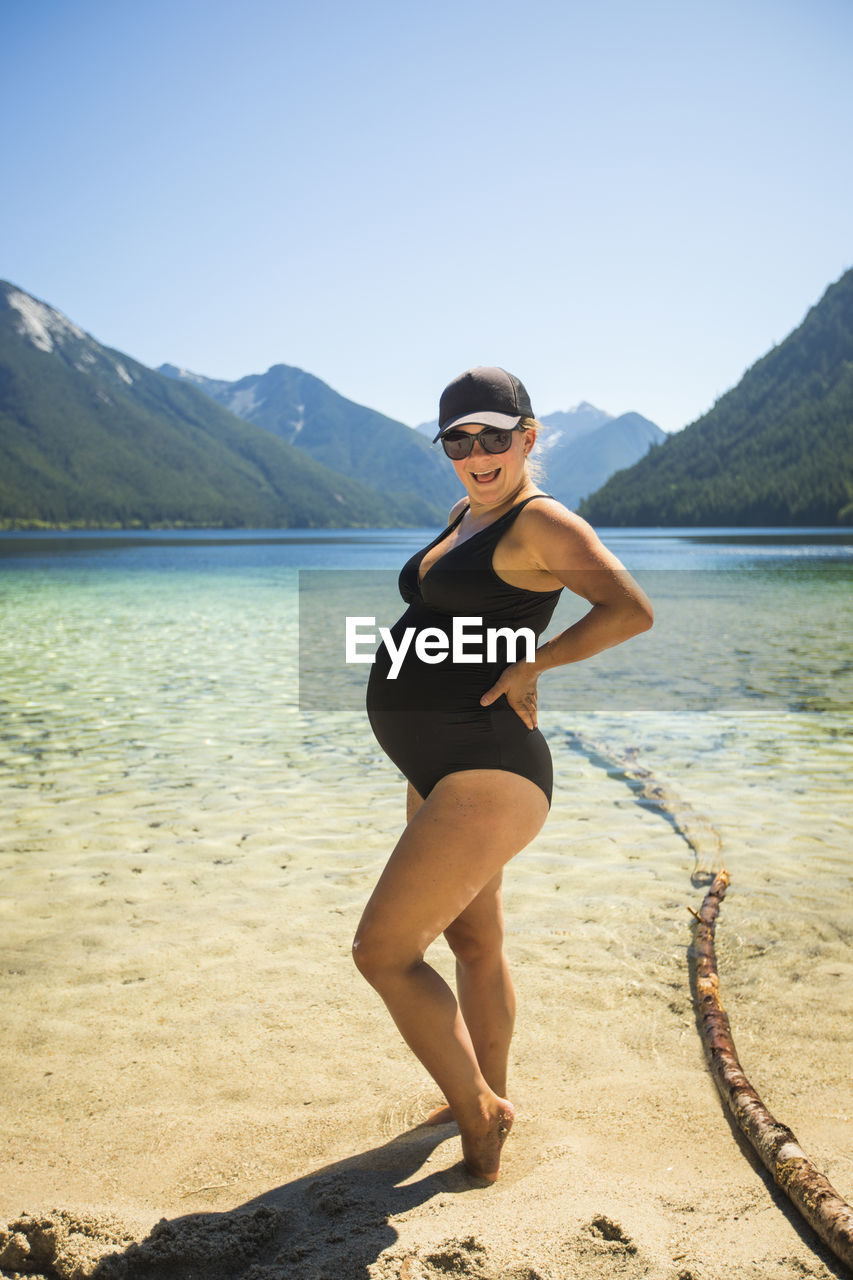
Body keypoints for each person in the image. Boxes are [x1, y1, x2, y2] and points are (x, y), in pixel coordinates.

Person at [353, 366, 653, 1182]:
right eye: (459, 439)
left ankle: (482, 1116)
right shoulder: (466, 515)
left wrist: (536, 662)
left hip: (488, 763)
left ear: (528, 435)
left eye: (494, 435)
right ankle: (480, 1093)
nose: (477, 452)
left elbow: (629, 608)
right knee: (473, 941)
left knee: (382, 952)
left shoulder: (539, 521)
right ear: (446, 448)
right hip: (436, 762)